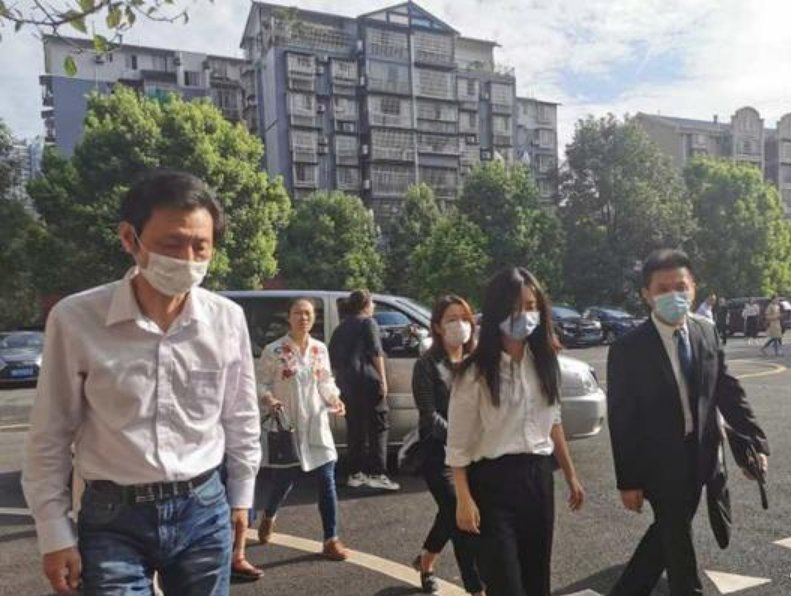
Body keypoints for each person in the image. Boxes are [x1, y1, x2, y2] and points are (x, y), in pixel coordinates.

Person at [22, 169, 261, 595]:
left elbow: (240, 416)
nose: (187, 259)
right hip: (114, 519)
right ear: (129, 239)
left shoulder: (226, 320)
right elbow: (50, 434)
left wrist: (242, 497)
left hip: (204, 508)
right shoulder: (77, 320)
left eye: (200, 246)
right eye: (171, 244)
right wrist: (54, 534)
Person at [607, 249, 770, 596]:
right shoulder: (628, 349)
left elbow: (727, 390)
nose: (673, 295)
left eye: (680, 286)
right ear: (646, 295)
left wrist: (755, 442)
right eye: (662, 289)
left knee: (668, 531)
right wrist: (628, 481)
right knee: (678, 540)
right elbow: (623, 420)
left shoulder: (706, 333)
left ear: (694, 288)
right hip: (658, 463)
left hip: (700, 455)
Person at [447, 267, 585, 596]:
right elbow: (458, 443)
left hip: (537, 479)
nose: (524, 314)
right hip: (492, 484)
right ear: (497, 310)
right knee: (506, 583)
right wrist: (463, 499)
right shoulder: (475, 373)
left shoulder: (545, 362)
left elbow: (553, 421)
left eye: (531, 306)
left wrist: (570, 475)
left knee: (538, 580)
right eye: (515, 307)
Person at [255, 298, 350, 561]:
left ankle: (331, 539)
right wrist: (269, 399)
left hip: (317, 426)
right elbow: (261, 384)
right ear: (289, 317)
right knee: (283, 481)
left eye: (308, 313)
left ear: (313, 318)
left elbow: (326, 381)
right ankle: (269, 515)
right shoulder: (274, 350)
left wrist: (335, 398)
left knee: (326, 480)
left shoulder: (320, 349)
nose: (303, 318)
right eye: (298, 313)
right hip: (289, 427)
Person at [411, 295, 484, 595]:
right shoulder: (426, 365)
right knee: (459, 515)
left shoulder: (477, 362)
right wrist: (460, 439)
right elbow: (429, 416)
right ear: (438, 327)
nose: (460, 325)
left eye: (465, 319)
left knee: (450, 514)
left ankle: (426, 561)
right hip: (439, 454)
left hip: (477, 454)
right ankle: (476, 588)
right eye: (451, 319)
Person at [329, 290, 400, 491]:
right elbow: (376, 352)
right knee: (379, 426)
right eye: (372, 303)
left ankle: (356, 473)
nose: (374, 307)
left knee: (355, 428)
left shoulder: (341, 328)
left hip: (347, 383)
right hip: (368, 380)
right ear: (366, 304)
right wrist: (383, 380)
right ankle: (378, 473)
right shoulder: (368, 323)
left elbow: (333, 358)